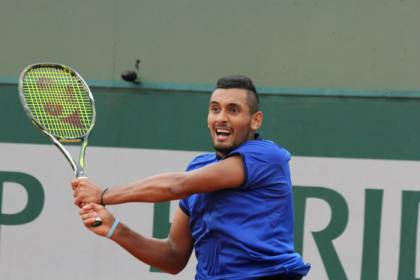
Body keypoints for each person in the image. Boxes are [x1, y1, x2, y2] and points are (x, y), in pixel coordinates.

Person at [72, 75, 310, 280]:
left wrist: (104, 195)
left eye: (233, 110)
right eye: (215, 109)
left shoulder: (267, 157)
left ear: (255, 120)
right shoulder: (200, 166)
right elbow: (173, 256)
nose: (221, 117)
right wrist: (114, 228)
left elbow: (177, 186)